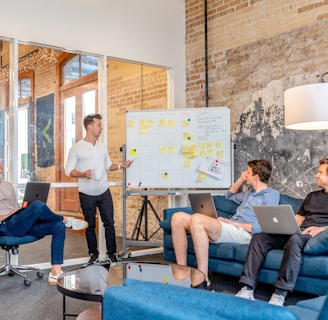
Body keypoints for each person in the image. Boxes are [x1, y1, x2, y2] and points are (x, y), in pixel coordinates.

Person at [171, 159, 279, 289]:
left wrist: (233, 223)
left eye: (248, 172)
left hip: (244, 233)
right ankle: (182, 269)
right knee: (177, 218)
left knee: (197, 219)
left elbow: (262, 227)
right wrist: (240, 179)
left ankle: (204, 279)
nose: (245, 174)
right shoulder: (249, 194)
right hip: (230, 227)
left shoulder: (271, 195)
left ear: (256, 176)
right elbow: (229, 195)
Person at [236, 158, 328, 306]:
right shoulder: (312, 196)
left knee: (295, 239)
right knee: (259, 238)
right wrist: (284, 226)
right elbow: (298, 220)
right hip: (298, 232)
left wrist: (322, 229)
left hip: (314, 237)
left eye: (320, 172)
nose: (316, 175)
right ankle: (247, 288)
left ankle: (280, 293)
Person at [0, 163, 88, 285]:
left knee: (58, 226)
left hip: (18, 220)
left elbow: (14, 206)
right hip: (6, 225)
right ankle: (64, 219)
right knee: (37, 206)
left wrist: (22, 209)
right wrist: (5, 215)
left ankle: (55, 272)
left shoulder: (7, 185)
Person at [65, 113, 132, 265]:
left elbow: (108, 165)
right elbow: (68, 170)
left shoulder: (102, 147)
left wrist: (121, 165)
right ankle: (93, 255)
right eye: (99, 125)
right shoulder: (77, 148)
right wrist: (83, 174)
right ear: (90, 126)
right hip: (86, 194)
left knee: (109, 223)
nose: (101, 128)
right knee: (90, 225)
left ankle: (112, 254)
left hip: (103, 191)